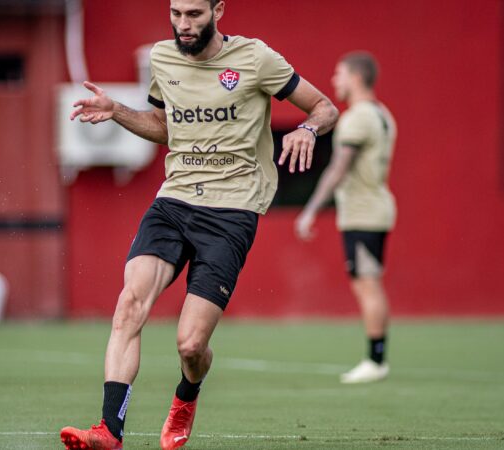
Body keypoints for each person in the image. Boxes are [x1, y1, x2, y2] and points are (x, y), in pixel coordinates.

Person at [59, 1, 338, 448]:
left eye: (194, 14)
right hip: (174, 199)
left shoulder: (255, 58)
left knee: (190, 346)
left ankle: (187, 395)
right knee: (130, 304)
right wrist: (117, 111)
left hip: (232, 211)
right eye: (176, 14)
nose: (183, 25)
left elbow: (325, 107)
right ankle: (109, 431)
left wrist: (308, 129)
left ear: (218, 11)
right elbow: (164, 126)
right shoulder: (162, 58)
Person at [294, 51, 396, 384]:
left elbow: (338, 168)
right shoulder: (382, 114)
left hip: (363, 213)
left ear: (355, 77)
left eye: (338, 74)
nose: (334, 81)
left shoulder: (357, 118)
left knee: (367, 284)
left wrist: (309, 210)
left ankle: (376, 360)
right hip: (375, 207)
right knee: (369, 283)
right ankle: (377, 357)